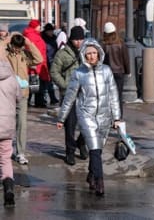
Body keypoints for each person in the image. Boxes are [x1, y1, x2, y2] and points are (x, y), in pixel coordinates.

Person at [56, 38, 121, 196]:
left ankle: (91, 174)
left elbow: (113, 94)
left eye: (94, 53)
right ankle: (99, 181)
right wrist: (61, 118)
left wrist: (117, 117)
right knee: (94, 147)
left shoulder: (106, 71)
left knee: (97, 149)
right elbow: (70, 97)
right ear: (84, 55)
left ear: (99, 53)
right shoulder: (79, 73)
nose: (92, 56)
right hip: (86, 114)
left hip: (104, 115)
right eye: (88, 53)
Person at [50, 26, 87, 165]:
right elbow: (54, 72)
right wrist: (65, 85)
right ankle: (70, 151)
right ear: (71, 39)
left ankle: (81, 143)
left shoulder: (86, 52)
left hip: (84, 94)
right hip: (69, 95)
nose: (79, 42)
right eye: (76, 39)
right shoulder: (63, 54)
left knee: (88, 124)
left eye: (81, 39)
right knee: (70, 125)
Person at [6, 33, 43, 165]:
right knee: (7, 123)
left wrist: (28, 43)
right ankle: (6, 150)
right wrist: (6, 40)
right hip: (6, 94)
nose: (17, 50)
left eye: (19, 48)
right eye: (15, 47)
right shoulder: (5, 53)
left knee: (22, 123)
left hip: (22, 94)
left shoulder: (24, 54)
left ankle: (20, 152)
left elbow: (39, 59)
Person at [0, 57, 21, 207]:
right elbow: (19, 98)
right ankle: (8, 188)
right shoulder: (12, 78)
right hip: (6, 125)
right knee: (5, 158)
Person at [101, 22, 130, 119]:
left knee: (108, 96)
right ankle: (118, 117)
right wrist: (128, 71)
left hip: (107, 74)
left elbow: (101, 61)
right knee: (118, 96)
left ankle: (109, 117)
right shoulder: (121, 44)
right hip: (119, 73)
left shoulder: (103, 45)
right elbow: (125, 59)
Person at [23, 19, 49, 107]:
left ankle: (32, 102)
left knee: (34, 84)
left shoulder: (33, 35)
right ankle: (38, 103)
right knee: (35, 85)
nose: (40, 27)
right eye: (39, 26)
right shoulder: (32, 36)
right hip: (36, 64)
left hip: (38, 63)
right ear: (35, 26)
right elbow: (31, 51)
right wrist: (34, 64)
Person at [41, 23, 59, 105]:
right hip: (44, 62)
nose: (51, 32)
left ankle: (52, 98)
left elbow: (56, 49)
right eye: (50, 31)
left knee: (50, 81)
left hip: (52, 61)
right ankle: (45, 98)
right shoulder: (42, 38)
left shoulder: (54, 38)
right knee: (45, 81)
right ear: (46, 31)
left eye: (52, 31)